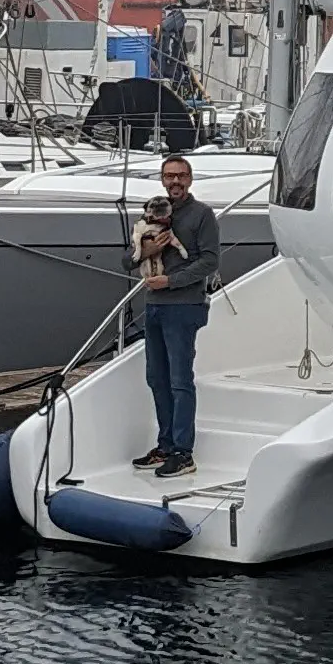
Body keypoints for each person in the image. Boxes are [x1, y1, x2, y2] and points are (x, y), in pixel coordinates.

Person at [130, 153, 222, 477]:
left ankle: (184, 453)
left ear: (190, 179)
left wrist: (171, 281)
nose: (176, 182)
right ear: (162, 179)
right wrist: (149, 251)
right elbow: (127, 260)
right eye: (170, 176)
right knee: (156, 378)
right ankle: (166, 445)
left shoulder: (202, 215)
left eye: (181, 176)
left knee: (180, 380)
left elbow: (210, 261)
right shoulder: (151, 212)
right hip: (154, 306)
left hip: (184, 307)